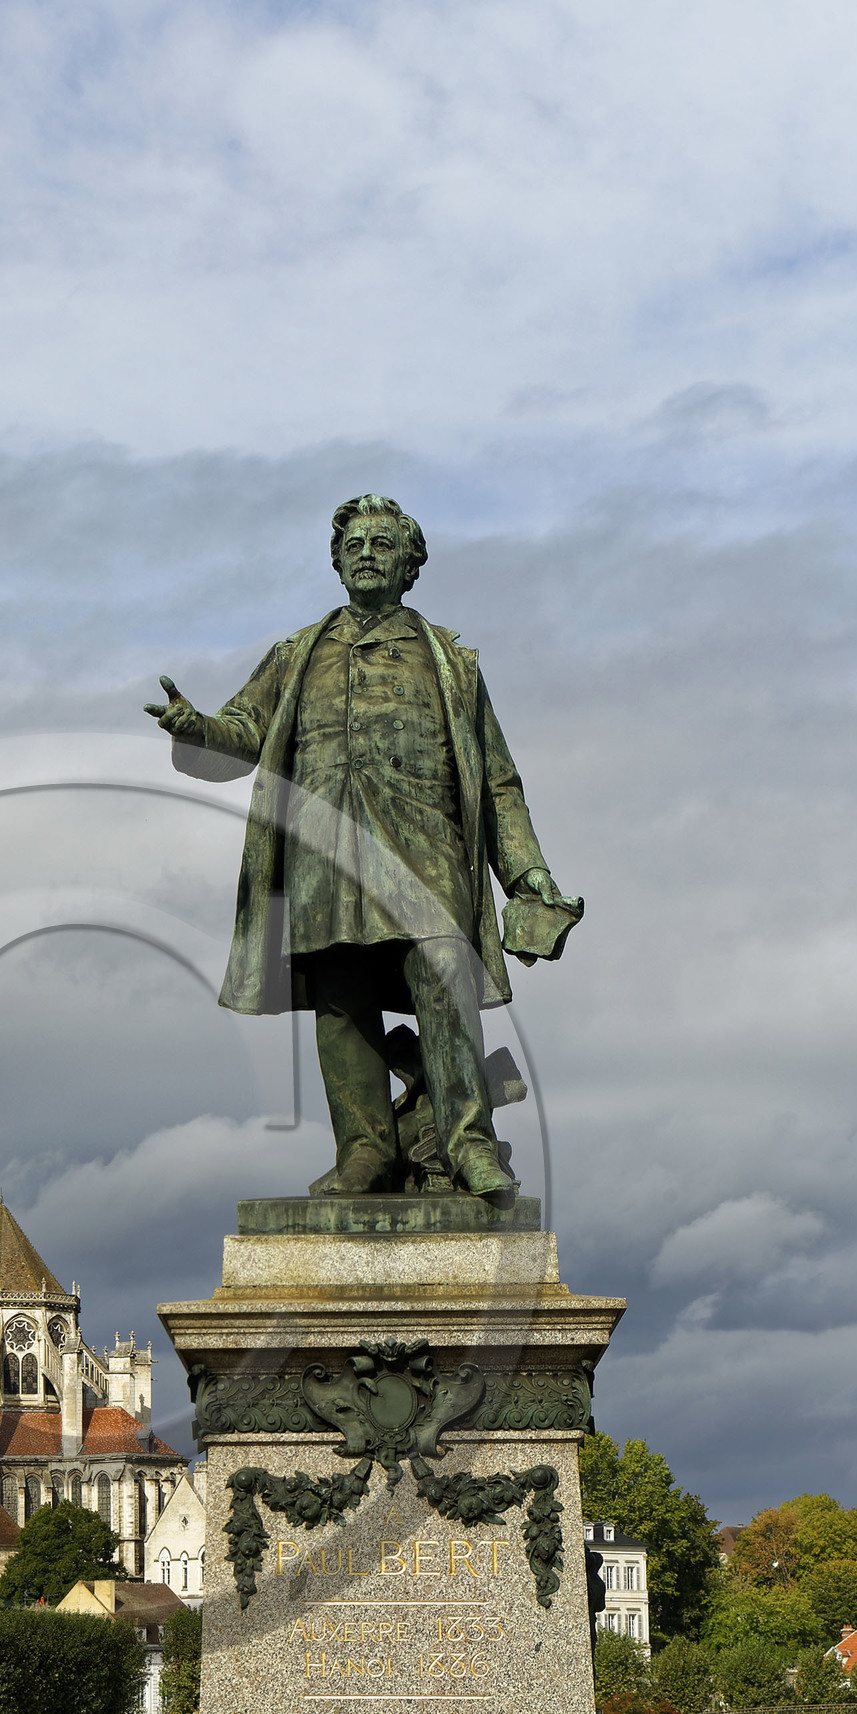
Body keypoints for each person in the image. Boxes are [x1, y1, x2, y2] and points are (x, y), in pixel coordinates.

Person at [146, 495, 578, 1198]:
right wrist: (196, 730)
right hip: (324, 848)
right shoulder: (296, 654)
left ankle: (468, 1145)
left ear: (410, 566)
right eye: (354, 546)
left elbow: (498, 781)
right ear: (337, 562)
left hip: (425, 844)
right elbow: (244, 732)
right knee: (341, 995)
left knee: (443, 973)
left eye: (382, 544)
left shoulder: (453, 662)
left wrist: (526, 874)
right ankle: (365, 1152)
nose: (366, 554)